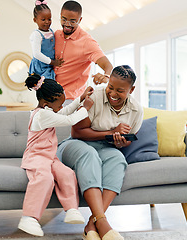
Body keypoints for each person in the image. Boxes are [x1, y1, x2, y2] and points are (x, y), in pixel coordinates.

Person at [57, 65, 143, 240]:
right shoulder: (95, 97)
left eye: (120, 90)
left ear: (131, 89)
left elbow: (127, 140)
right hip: (75, 144)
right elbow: (77, 132)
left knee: (118, 159)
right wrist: (111, 133)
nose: (112, 93)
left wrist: (121, 141)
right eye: (110, 87)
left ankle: (92, 224)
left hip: (106, 148)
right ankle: (103, 223)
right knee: (89, 155)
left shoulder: (136, 110)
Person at [18, 73, 94, 237]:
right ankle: (29, 217)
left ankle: (72, 209)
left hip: (49, 157)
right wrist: (85, 108)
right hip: (36, 157)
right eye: (58, 105)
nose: (60, 107)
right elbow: (68, 120)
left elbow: (64, 112)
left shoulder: (47, 111)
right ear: (46, 103)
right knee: (44, 179)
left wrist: (80, 99)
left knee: (67, 174)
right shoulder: (42, 115)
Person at [54, 0, 113, 101]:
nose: (67, 24)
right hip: (50, 96)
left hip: (70, 99)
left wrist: (106, 76)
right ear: (60, 16)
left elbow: (108, 65)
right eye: (64, 19)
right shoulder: (56, 35)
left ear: (80, 20)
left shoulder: (87, 42)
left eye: (72, 21)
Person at [28, 0, 64, 80]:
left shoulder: (51, 31)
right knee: (44, 85)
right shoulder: (37, 34)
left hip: (49, 65)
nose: (47, 22)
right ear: (35, 20)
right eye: (43, 20)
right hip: (40, 66)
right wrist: (53, 62)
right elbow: (36, 54)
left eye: (49, 19)